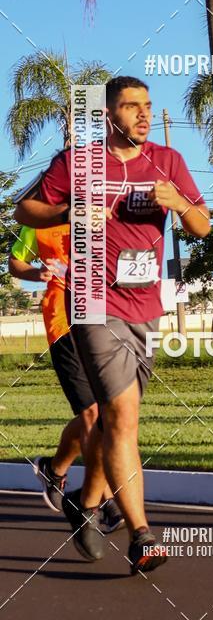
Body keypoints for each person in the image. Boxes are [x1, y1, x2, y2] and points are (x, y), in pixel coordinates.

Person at [15, 76, 210, 573]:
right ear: (107, 115)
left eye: (148, 105)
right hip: (92, 302)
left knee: (111, 419)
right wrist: (71, 210)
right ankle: (142, 535)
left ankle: (86, 500)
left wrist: (179, 204)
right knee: (121, 416)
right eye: (131, 106)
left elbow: (202, 226)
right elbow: (25, 210)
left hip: (145, 306)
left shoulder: (168, 161)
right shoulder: (78, 162)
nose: (143, 114)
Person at [9, 224, 124, 533]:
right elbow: (15, 262)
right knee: (91, 413)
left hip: (104, 316)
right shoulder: (39, 219)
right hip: (63, 320)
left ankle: (54, 468)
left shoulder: (102, 210)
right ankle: (106, 500)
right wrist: (37, 274)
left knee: (104, 411)